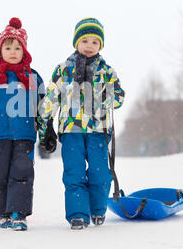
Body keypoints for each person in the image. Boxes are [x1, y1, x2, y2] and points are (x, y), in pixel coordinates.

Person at [38, 18, 125, 230]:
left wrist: (108, 97)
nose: (89, 46)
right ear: (76, 42)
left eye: (95, 42)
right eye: (84, 40)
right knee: (74, 173)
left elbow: (119, 97)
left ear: (100, 46)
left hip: (98, 131)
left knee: (101, 174)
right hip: (71, 132)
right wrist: (45, 125)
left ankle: (97, 209)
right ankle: (78, 214)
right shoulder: (63, 70)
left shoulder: (107, 72)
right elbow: (50, 98)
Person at [0, 18, 44, 231]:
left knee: (21, 173)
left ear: (24, 51)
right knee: (0, 173)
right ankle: (3, 213)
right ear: (0, 51)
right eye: (7, 47)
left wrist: (46, 127)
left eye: (17, 47)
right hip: (0, 135)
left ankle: (18, 213)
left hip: (24, 134)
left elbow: (43, 106)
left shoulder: (33, 78)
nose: (12, 51)